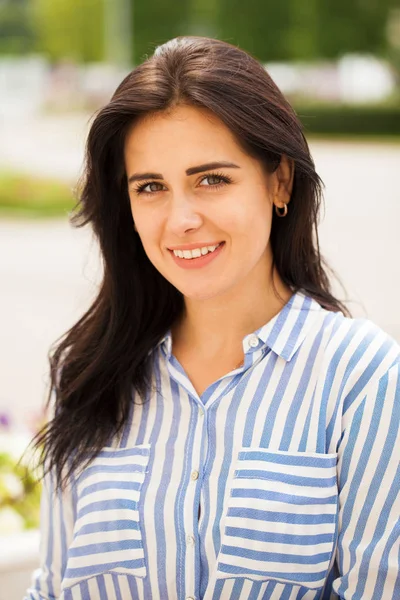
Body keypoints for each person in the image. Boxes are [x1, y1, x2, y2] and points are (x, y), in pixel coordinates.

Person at [25, 36, 400, 600]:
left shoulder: (362, 379)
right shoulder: (87, 376)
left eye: (211, 179)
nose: (181, 219)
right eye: (150, 187)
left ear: (280, 181)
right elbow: (52, 589)